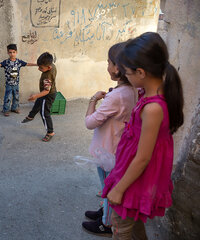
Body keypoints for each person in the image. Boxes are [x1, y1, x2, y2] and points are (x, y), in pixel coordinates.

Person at [102, 32, 184, 239]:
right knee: (132, 221)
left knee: (120, 225)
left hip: (136, 175)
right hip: (132, 170)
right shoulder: (147, 94)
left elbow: (143, 157)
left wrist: (119, 189)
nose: (125, 76)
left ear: (140, 72)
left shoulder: (153, 108)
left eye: (127, 73)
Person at [81, 42, 137, 236]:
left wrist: (93, 100)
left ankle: (106, 223)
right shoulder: (131, 90)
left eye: (108, 62)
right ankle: (105, 212)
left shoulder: (116, 96)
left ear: (117, 67)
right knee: (108, 185)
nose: (107, 66)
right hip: (117, 147)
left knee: (108, 187)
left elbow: (90, 122)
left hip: (108, 151)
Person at [21, 52, 57, 142]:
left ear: (49, 68)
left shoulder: (47, 76)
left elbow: (46, 91)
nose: (38, 69)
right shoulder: (51, 65)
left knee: (44, 113)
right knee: (38, 102)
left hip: (48, 95)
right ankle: (31, 116)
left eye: (41, 68)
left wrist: (35, 96)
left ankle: (50, 132)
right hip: (46, 92)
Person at [0, 44, 37, 116]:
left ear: (16, 52)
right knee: (8, 97)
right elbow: (0, 64)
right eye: (10, 52)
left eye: (13, 52)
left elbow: (27, 64)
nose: (12, 54)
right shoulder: (6, 62)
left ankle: (14, 108)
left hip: (16, 84)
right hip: (9, 84)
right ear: (8, 53)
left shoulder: (19, 62)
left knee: (16, 97)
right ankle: (6, 110)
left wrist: (36, 64)